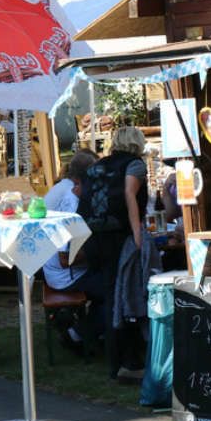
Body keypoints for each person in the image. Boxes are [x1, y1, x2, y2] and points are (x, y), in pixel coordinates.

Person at [77, 126, 148, 381]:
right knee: (126, 295)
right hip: (119, 236)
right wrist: (137, 233)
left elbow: (82, 200)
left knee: (109, 297)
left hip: (94, 237)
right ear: (136, 143)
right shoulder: (135, 165)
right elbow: (130, 194)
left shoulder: (96, 166)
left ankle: (114, 361)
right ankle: (128, 360)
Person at [42, 150, 104, 352]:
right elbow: (65, 258)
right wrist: (100, 253)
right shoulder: (72, 203)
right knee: (114, 288)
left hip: (57, 270)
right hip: (63, 275)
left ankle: (90, 331)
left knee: (113, 281)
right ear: (81, 180)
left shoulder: (70, 193)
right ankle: (77, 334)